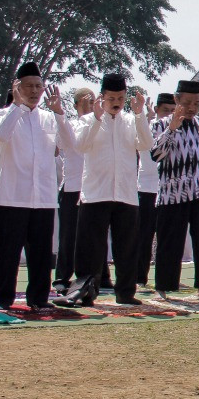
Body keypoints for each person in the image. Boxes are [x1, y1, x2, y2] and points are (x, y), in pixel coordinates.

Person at [57, 74, 152, 306]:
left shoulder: (131, 120)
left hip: (126, 193)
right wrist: (97, 119)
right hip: (96, 193)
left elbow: (146, 144)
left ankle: (126, 292)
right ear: (102, 97)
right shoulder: (89, 120)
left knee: (126, 247)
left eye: (120, 97)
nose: (116, 102)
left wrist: (140, 115)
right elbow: (80, 146)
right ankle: (86, 292)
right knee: (91, 248)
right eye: (111, 98)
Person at [0, 63, 75, 310]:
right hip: (12, 197)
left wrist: (59, 113)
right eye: (29, 86)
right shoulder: (3, 115)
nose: (35, 91)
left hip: (44, 198)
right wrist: (16, 106)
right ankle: (2, 300)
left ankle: (38, 299)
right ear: (17, 87)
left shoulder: (49, 118)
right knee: (8, 253)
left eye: (39, 86)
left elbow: (69, 144)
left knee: (41, 255)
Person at [151, 79, 199, 302]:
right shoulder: (161, 124)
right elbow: (155, 154)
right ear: (176, 101)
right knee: (169, 242)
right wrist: (171, 130)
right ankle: (163, 287)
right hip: (172, 193)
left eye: (197, 103)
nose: (192, 107)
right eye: (187, 103)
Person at [54, 86, 94, 293]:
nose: (90, 104)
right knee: (68, 236)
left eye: (93, 100)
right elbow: (70, 143)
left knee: (91, 237)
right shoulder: (69, 126)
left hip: (92, 190)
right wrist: (59, 113)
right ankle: (62, 277)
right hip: (71, 188)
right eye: (86, 101)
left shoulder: (99, 126)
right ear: (77, 104)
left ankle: (90, 278)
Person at [135, 93, 174, 285]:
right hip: (147, 189)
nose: (169, 114)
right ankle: (140, 276)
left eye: (173, 111)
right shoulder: (148, 128)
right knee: (144, 236)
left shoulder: (176, 130)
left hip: (167, 190)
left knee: (166, 237)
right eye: (166, 110)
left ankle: (165, 277)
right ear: (157, 110)